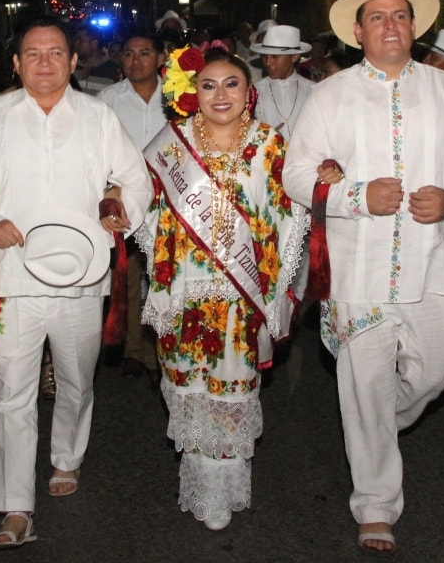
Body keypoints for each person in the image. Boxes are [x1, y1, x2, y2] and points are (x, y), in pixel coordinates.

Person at [283, 0, 444, 555]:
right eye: (377, 17)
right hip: (357, 272)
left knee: (439, 370)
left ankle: (375, 425)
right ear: (358, 31)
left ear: (415, 26)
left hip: (429, 268)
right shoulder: (330, 94)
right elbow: (296, 174)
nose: (389, 26)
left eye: (399, 15)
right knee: (365, 384)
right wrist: (354, 196)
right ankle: (375, 504)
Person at [0, 17, 152, 550]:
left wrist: (117, 210)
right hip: (11, 274)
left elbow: (136, 178)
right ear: (15, 63)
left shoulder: (97, 115)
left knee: (76, 380)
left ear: (74, 61)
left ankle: (66, 456)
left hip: (81, 275)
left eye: (55, 53)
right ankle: (16, 508)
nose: (44, 62)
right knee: (13, 393)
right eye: (32, 53)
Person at [139, 46, 306, 530]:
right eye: (208, 85)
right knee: (188, 388)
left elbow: (288, 216)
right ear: (192, 93)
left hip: (240, 294)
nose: (220, 94)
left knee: (230, 389)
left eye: (231, 84)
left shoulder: (269, 144)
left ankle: (223, 487)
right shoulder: (171, 144)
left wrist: (322, 180)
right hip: (184, 291)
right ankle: (199, 478)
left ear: (248, 92)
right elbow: (150, 209)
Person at [97, 32, 168, 379]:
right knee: (128, 276)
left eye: (144, 53)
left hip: (171, 200)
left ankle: (163, 350)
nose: (136, 60)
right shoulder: (108, 99)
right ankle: (133, 350)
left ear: (160, 57)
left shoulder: (178, 96)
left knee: (164, 276)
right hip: (124, 197)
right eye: (128, 54)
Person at [251, 25, 315, 136]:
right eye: (264, 56)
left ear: (294, 56)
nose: (268, 62)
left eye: (275, 56)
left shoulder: (312, 90)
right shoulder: (255, 91)